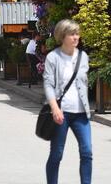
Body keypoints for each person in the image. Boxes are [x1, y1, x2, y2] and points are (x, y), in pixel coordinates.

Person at [44, 19, 91, 184]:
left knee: (87, 152)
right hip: (61, 113)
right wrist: (54, 108)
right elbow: (48, 85)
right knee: (56, 154)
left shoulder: (83, 57)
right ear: (62, 36)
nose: (76, 37)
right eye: (72, 34)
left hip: (81, 114)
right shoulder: (53, 57)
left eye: (77, 34)